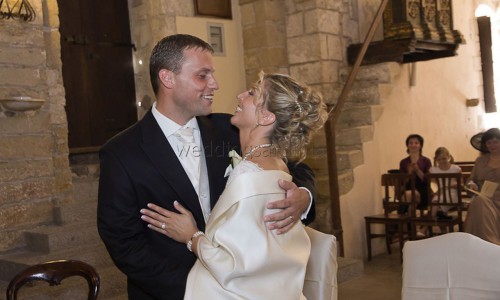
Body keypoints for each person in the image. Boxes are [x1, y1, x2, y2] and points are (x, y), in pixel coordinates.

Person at [97, 34, 317, 300]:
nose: (215, 84)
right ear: (168, 78)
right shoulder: (122, 152)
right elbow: (123, 241)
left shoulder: (231, 128)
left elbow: (296, 166)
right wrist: (196, 290)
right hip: (173, 292)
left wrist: (303, 197)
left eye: (212, 74)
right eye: (203, 76)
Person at [141, 71, 328, 299]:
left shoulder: (250, 177)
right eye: (202, 75)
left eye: (252, 93)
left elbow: (237, 267)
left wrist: (192, 236)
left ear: (267, 117)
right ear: (168, 79)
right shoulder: (270, 160)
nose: (239, 95)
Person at [464, 127, 500, 245]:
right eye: (489, 142)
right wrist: (471, 185)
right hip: (482, 196)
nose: (492, 145)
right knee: (479, 201)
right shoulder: (480, 160)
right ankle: (485, 245)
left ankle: (490, 246)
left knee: (479, 202)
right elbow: (470, 180)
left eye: (495, 141)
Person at [399, 134, 432, 212]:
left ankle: (401, 219)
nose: (413, 145)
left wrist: (417, 170)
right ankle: (409, 221)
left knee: (409, 196)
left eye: (416, 143)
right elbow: (403, 182)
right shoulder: (403, 162)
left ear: (420, 146)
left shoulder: (426, 161)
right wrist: (409, 173)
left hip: (423, 191)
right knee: (410, 198)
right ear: (407, 145)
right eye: (411, 143)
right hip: (408, 189)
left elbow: (428, 180)